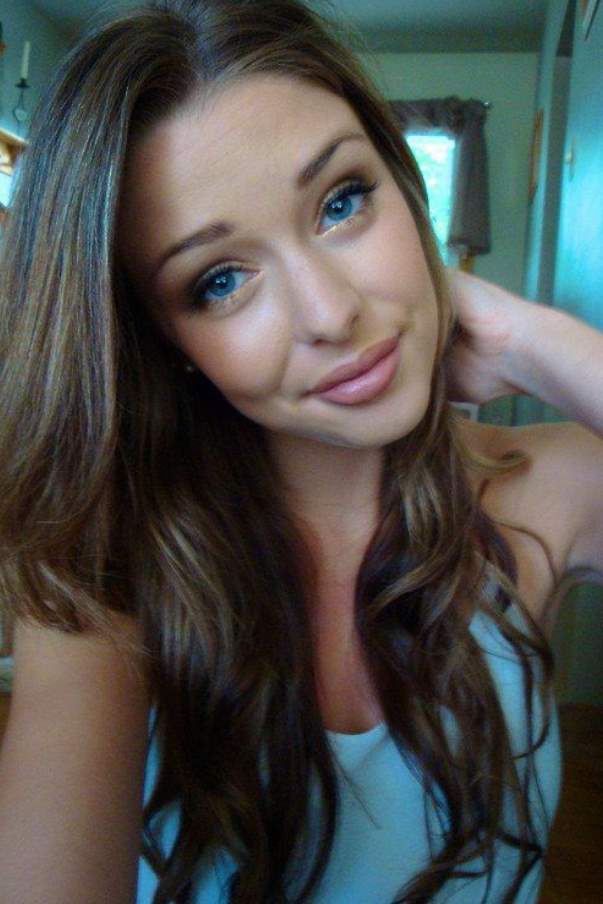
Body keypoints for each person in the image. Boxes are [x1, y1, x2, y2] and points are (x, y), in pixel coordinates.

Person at [0, 1, 601, 902]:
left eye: (341, 201)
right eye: (220, 281)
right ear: (164, 339)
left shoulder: (542, 488)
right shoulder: (107, 574)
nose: (331, 312)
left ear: (405, 185)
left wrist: (533, 342)